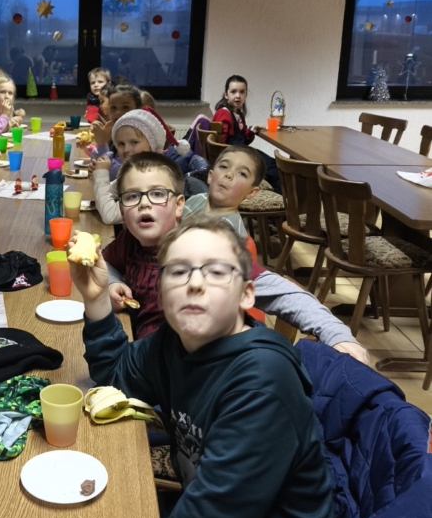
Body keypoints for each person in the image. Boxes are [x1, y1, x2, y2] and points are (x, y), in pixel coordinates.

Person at [57, 214, 336, 518]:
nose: (195, 283)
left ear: (246, 295)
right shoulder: (175, 344)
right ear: (159, 290)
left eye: (215, 271)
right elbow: (117, 377)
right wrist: (96, 299)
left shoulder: (261, 381)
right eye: (178, 271)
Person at [101, 152, 370, 362]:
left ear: (179, 205)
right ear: (122, 210)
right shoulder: (129, 242)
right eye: (132, 196)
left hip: (198, 371)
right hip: (147, 361)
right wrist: (114, 282)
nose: (144, 203)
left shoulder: (205, 248)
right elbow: (108, 261)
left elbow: (283, 293)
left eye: (158, 194)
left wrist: (337, 335)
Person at [93, 110, 171, 225]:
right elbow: (108, 194)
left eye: (134, 142)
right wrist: (97, 176)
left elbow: (109, 215)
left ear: (152, 144)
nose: (126, 150)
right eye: (121, 144)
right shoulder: (134, 170)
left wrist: (101, 173)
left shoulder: (148, 177)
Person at [180, 144, 268, 238]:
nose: (229, 174)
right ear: (210, 176)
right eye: (224, 166)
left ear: (251, 192)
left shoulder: (231, 233)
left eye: (242, 173)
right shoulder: (196, 199)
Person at [212, 74, 279, 191]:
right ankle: (282, 198)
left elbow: (244, 139)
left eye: (242, 92)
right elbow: (220, 145)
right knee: (274, 168)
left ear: (246, 95)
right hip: (234, 155)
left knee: (274, 164)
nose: (238, 96)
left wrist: (251, 131)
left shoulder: (238, 114)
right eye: (233, 92)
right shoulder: (223, 113)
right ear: (226, 95)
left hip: (240, 151)